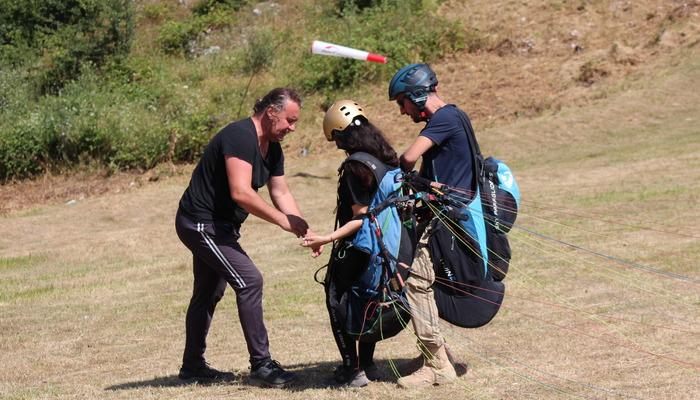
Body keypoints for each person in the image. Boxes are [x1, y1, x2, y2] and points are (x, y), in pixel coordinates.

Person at [175, 87, 321, 387]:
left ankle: (192, 367)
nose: (292, 128)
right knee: (249, 280)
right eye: (289, 121)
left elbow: (280, 191)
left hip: (221, 227)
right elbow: (241, 192)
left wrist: (304, 229)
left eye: (295, 122)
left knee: (208, 291)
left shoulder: (273, 148)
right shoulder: (239, 136)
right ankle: (262, 366)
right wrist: (282, 221)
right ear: (271, 112)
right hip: (202, 223)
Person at [301, 100, 403, 387]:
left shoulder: (355, 166)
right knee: (367, 299)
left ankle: (352, 369)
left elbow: (362, 217)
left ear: (342, 135)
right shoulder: (384, 157)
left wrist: (327, 237)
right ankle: (367, 363)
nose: (336, 143)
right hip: (389, 243)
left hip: (362, 244)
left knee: (336, 296)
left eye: (336, 137)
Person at [389, 63, 473, 388]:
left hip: (445, 218)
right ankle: (433, 355)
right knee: (422, 283)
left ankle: (437, 365)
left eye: (402, 103)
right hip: (444, 214)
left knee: (416, 283)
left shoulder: (444, 119)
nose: (402, 111)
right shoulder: (456, 116)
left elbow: (408, 158)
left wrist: (409, 174)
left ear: (416, 95)